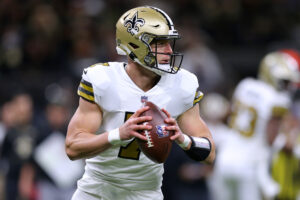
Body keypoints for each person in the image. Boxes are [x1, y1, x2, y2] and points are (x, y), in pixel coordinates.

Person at [65, 6, 215, 200]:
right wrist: (118, 134)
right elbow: (72, 147)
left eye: (170, 43)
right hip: (97, 190)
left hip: (145, 193)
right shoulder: (103, 80)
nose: (169, 51)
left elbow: (210, 153)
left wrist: (183, 140)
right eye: (160, 43)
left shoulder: (182, 85)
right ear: (134, 45)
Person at [211, 49, 300, 200]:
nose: (288, 87)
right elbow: (272, 139)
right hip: (249, 166)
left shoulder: (245, 85)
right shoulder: (278, 99)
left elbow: (230, 116)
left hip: (224, 160)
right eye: (284, 81)